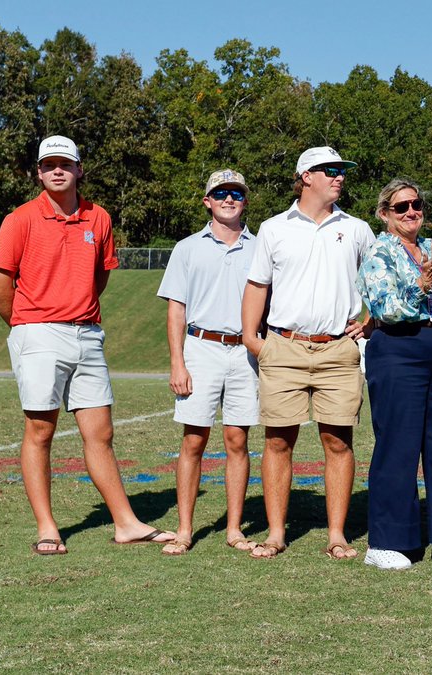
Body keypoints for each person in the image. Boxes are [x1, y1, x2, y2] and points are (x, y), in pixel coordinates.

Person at [0, 135, 174, 554]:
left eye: (65, 164)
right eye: (49, 164)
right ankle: (47, 527)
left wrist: (76, 307)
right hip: (38, 331)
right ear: (38, 172)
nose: (58, 170)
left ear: (79, 169)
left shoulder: (100, 218)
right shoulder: (19, 219)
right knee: (40, 429)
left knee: (101, 432)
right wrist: (24, 324)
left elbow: (100, 276)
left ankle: (125, 523)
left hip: (87, 332)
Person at [241, 146, 373, 560]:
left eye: (342, 171)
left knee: (338, 442)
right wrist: (251, 338)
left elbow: (380, 282)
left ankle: (336, 535)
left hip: (338, 350)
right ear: (306, 176)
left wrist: (369, 323)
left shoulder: (357, 229)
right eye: (330, 170)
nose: (340, 177)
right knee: (278, 441)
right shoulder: (273, 228)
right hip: (283, 346)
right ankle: (277, 534)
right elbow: (258, 285)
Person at [358, 179, 432, 569]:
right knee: (398, 446)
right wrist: (424, 283)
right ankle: (386, 542)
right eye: (401, 206)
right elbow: (387, 309)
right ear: (385, 213)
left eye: (416, 204)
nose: (411, 212)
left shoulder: (430, 249)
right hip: (397, 350)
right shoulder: (379, 251)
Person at [156, 169, 260, 555]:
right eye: (220, 193)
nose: (228, 199)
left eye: (235, 193)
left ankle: (234, 528)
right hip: (201, 348)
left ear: (244, 199)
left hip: (245, 351)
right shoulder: (186, 247)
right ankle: (185, 529)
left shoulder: (260, 246)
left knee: (238, 439)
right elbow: (176, 311)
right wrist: (177, 363)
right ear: (207, 200)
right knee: (194, 439)